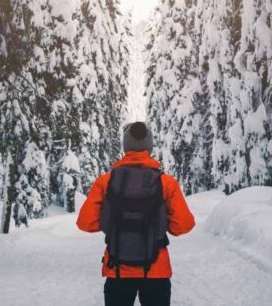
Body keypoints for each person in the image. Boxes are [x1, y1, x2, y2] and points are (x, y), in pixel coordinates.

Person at [77, 122, 195, 306]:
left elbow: (85, 223)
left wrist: (114, 220)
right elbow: (183, 225)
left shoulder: (106, 181)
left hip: (117, 270)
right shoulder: (166, 182)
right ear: (149, 146)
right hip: (156, 271)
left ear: (125, 147)